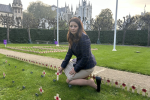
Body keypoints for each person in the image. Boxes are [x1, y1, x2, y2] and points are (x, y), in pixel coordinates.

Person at [58, 17, 101, 92]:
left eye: (75, 26)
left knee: (68, 80)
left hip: (87, 66)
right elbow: (69, 54)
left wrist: (75, 69)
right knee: (67, 64)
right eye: (71, 26)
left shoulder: (84, 38)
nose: (73, 28)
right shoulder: (72, 37)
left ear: (79, 27)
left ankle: (89, 82)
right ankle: (82, 78)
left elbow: (85, 57)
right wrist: (62, 67)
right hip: (80, 62)